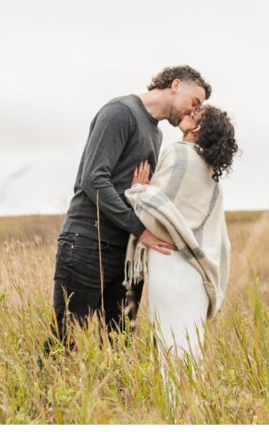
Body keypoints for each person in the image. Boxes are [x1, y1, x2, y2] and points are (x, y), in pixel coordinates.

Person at [41, 65, 211, 360]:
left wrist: (142, 192)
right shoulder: (120, 112)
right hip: (87, 242)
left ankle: (115, 406)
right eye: (194, 102)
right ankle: (42, 406)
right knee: (65, 338)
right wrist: (141, 229)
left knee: (119, 343)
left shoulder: (155, 135)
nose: (193, 111)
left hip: (127, 254)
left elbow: (139, 193)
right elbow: (93, 179)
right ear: (175, 85)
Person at [122, 105, 238, 370]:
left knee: (169, 349)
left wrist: (139, 191)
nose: (189, 111)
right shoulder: (208, 169)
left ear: (196, 128)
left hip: (170, 261)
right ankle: (188, 409)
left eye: (195, 113)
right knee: (189, 350)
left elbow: (158, 213)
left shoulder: (180, 153)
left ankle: (174, 410)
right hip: (196, 272)